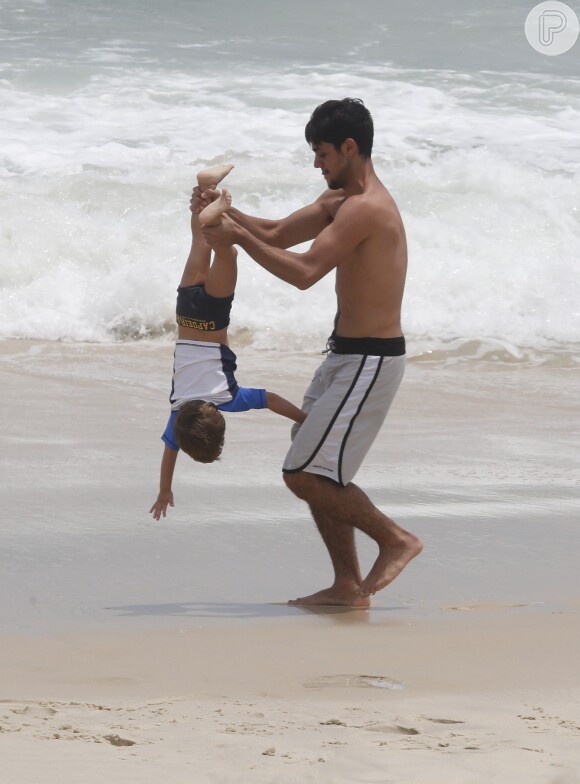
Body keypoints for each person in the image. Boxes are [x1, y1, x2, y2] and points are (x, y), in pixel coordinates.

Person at [200, 98, 423, 607]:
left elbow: (304, 273)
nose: (316, 164)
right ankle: (348, 585)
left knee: (304, 473)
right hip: (343, 357)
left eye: (321, 153)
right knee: (317, 469)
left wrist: (234, 236)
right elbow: (277, 233)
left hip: (371, 360)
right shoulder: (340, 201)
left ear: (350, 148)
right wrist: (222, 210)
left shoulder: (368, 208)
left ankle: (395, 539)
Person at [149, 164, 305, 521]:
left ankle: (217, 216)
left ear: (220, 422)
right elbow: (169, 451)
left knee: (228, 252)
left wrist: (304, 418)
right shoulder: (177, 412)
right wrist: (163, 488)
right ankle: (205, 186)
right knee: (199, 241)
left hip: (213, 317)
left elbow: (269, 399)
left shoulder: (229, 399)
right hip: (186, 314)